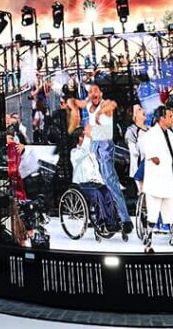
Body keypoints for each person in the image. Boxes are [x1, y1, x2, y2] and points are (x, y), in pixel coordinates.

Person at [69, 85, 131, 233]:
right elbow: (76, 102)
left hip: (104, 141)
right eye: (91, 92)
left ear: (101, 93)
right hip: (94, 142)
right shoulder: (88, 104)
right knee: (97, 177)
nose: (93, 93)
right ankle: (106, 218)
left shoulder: (105, 104)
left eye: (96, 91)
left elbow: (112, 105)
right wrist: (71, 104)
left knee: (110, 182)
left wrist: (100, 114)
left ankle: (125, 219)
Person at [140, 106, 173, 252]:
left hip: (169, 181)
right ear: (162, 118)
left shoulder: (170, 134)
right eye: (170, 116)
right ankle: (148, 244)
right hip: (156, 183)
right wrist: (156, 158)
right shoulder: (151, 135)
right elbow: (151, 155)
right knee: (152, 215)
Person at [69, 124, 123, 238]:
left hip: (94, 183)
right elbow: (84, 151)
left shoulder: (91, 152)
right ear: (80, 138)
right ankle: (101, 221)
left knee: (107, 192)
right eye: (85, 136)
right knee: (97, 194)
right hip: (82, 184)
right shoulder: (75, 152)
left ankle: (111, 222)